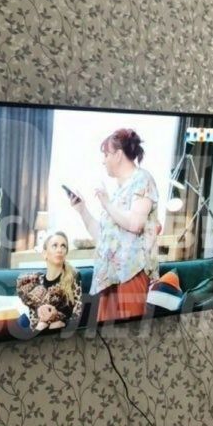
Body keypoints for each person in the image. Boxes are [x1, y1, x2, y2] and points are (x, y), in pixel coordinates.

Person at [71, 128, 159, 322]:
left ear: (118, 155)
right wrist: (82, 210)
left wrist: (107, 203)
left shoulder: (143, 179)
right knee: (106, 337)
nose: (103, 160)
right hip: (109, 278)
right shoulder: (119, 191)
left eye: (106, 154)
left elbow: (135, 224)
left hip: (131, 274)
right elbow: (101, 236)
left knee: (130, 335)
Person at [16, 231, 82, 331]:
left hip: (63, 332)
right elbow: (34, 322)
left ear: (66, 253)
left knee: (55, 325)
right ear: (44, 254)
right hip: (38, 333)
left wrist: (60, 319)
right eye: (55, 246)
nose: (59, 250)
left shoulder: (73, 276)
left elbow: (77, 315)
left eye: (63, 246)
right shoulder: (34, 283)